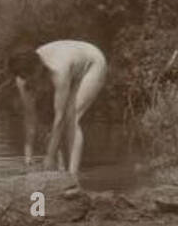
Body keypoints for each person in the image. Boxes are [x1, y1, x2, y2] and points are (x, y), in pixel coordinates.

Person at [7, 40, 107, 180]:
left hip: (92, 63)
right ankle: (61, 169)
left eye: (31, 77)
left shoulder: (58, 71)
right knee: (49, 119)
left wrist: (49, 156)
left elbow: (59, 119)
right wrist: (28, 159)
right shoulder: (22, 79)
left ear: (38, 69)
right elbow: (30, 118)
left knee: (71, 117)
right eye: (24, 78)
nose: (29, 82)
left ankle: (72, 177)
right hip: (71, 61)